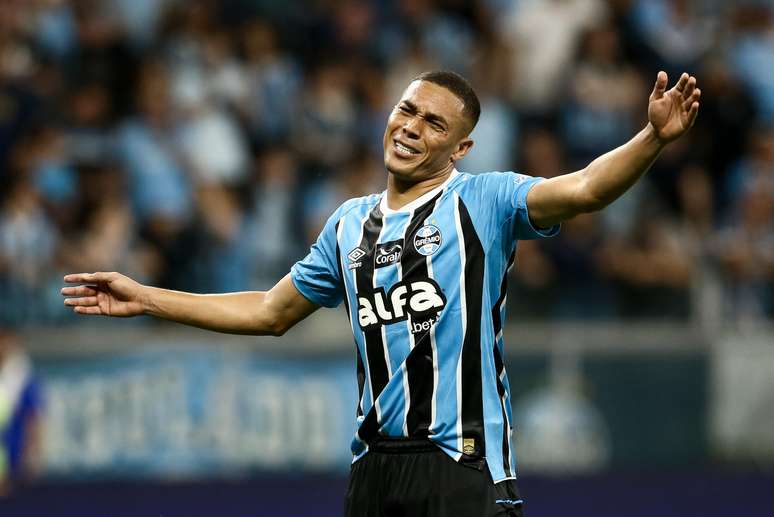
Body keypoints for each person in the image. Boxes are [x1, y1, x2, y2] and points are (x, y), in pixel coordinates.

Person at [62, 69, 701, 516]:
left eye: (433, 122)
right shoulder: (347, 224)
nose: (411, 127)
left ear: (461, 146)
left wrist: (652, 138)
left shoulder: (483, 200)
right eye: (407, 110)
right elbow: (270, 310)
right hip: (373, 467)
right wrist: (147, 298)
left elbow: (586, 188)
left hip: (462, 464)